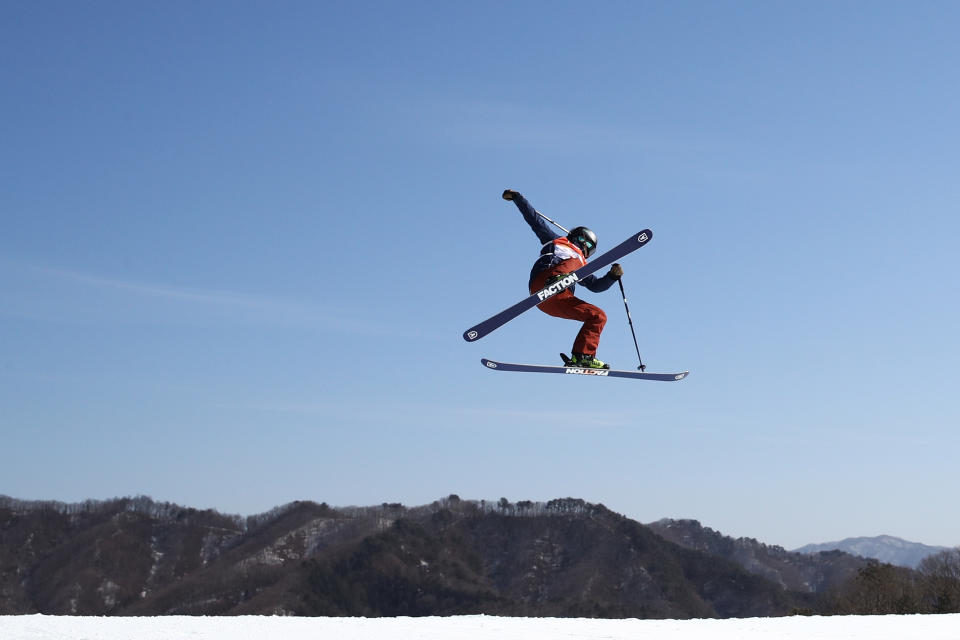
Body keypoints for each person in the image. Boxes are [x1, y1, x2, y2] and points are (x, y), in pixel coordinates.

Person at [502, 189, 623, 369]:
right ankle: (557, 280)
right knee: (575, 261)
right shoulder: (557, 240)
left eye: (590, 246)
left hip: (559, 300)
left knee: (598, 316)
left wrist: (612, 276)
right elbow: (534, 220)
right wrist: (518, 198)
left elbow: (596, 286)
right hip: (544, 281)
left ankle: (583, 357)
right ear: (576, 236)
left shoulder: (582, 265)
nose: (585, 246)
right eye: (584, 240)